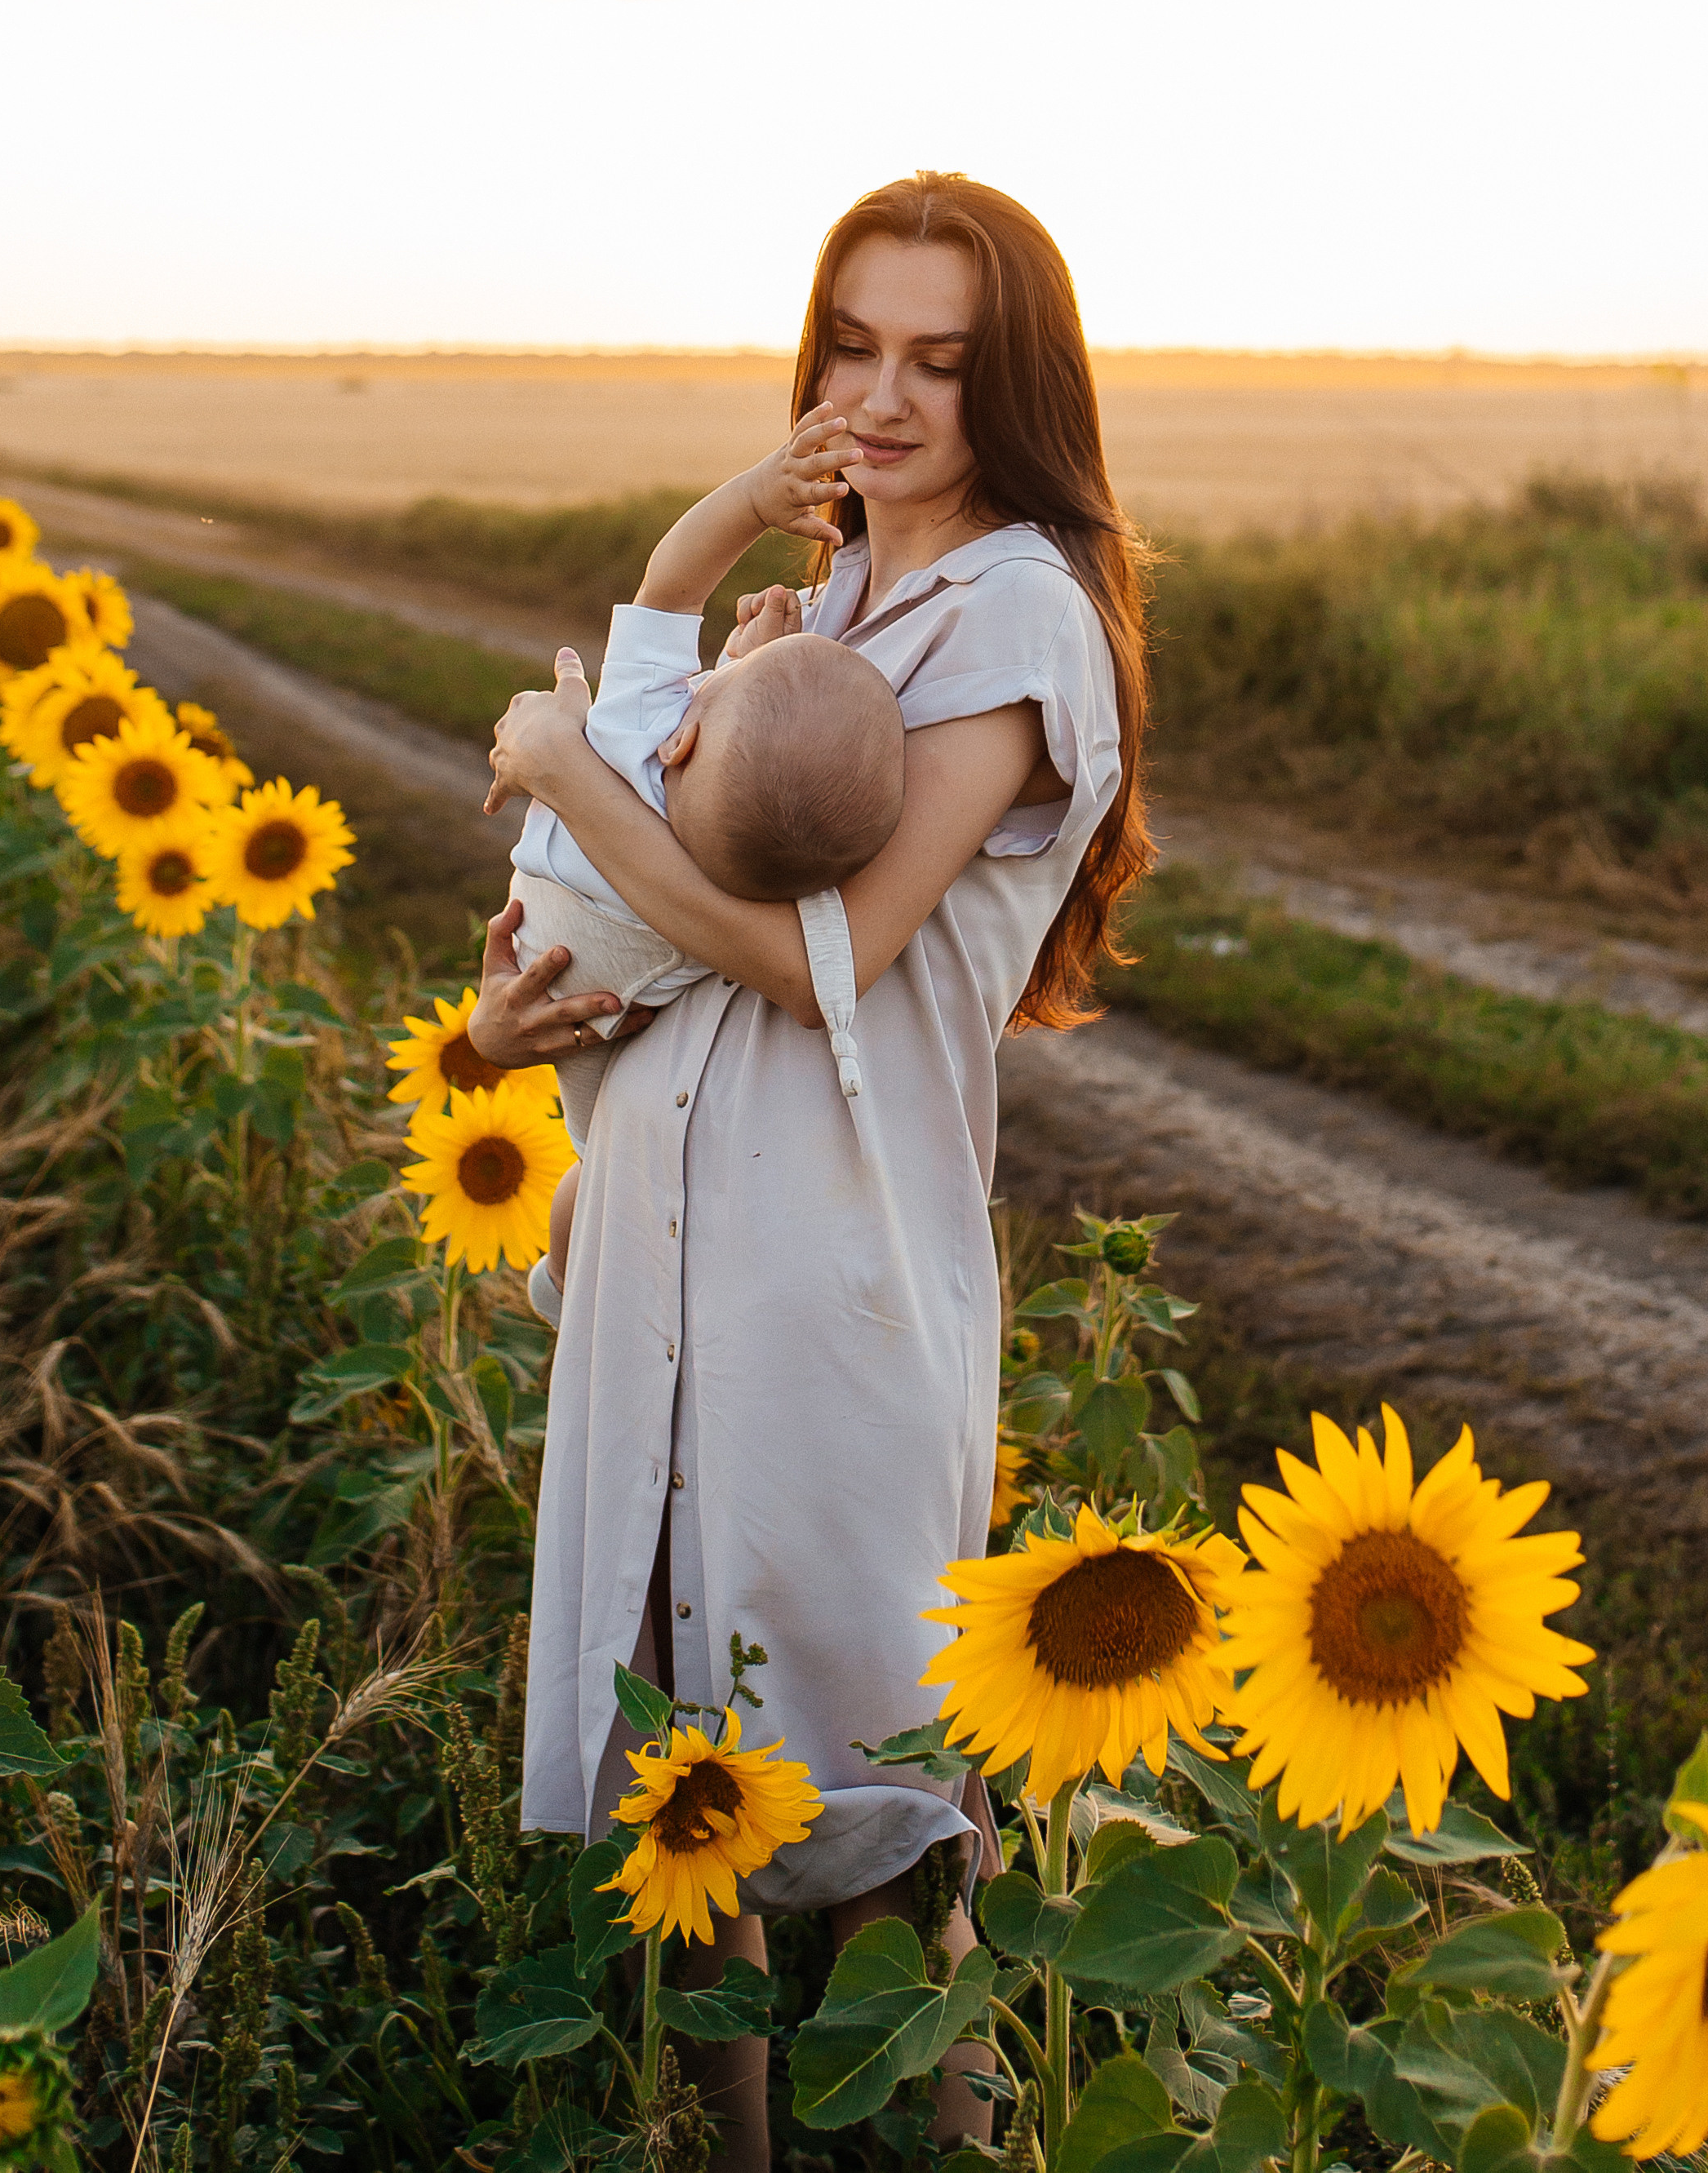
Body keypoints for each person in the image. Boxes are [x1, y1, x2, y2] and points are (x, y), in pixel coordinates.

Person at [471, 171, 1153, 2166]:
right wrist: (509, 1027)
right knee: (694, 1818)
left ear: (1014, 385)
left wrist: (568, 763)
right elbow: (632, 928)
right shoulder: (834, 599)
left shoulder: (1017, 611)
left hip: (832, 1283)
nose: (882, 393)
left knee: (875, 1849)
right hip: (669, 1243)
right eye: (852, 343)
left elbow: (811, 957)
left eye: (939, 359)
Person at [501, 408, 907, 1160]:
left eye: (716, 681)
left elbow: (671, 584)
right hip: (604, 986)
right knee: (589, 1174)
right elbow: (781, 761)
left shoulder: (638, 734)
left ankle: (562, 1273)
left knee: (587, 1184)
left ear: (681, 738)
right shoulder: (747, 881)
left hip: (543, 960)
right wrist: (764, 672)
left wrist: (756, 499)